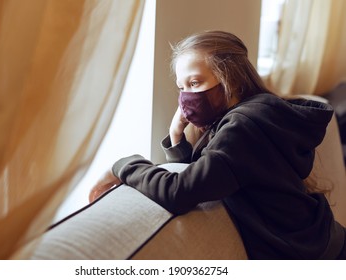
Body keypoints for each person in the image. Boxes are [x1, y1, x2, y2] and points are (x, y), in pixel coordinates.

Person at [89, 30, 346, 259]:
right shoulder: (260, 113)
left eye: (195, 82)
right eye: (181, 87)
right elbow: (205, 175)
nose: (186, 97)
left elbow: (180, 191)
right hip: (320, 240)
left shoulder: (242, 128)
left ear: (230, 80)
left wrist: (122, 165)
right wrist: (176, 136)